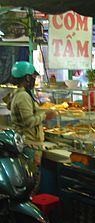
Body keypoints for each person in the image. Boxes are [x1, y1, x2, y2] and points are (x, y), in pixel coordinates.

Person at [3, 61, 56, 193]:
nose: (34, 80)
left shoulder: (19, 94)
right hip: (30, 146)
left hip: (27, 143)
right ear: (27, 77)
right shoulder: (23, 96)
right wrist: (45, 116)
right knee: (31, 185)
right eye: (33, 77)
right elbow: (28, 121)